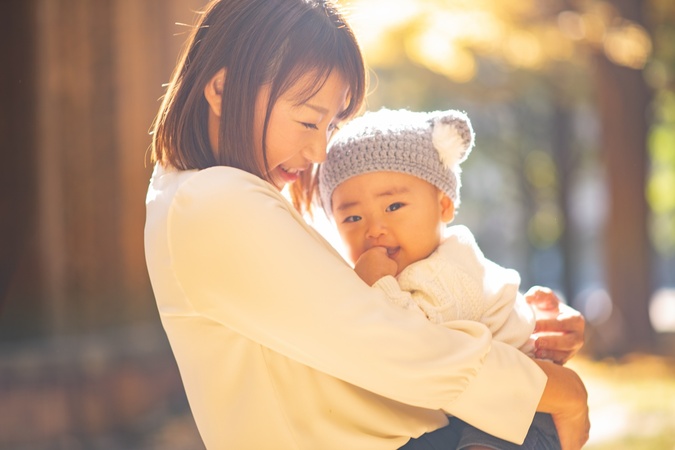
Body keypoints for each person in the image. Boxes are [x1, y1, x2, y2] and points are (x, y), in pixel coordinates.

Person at [144, 0, 589, 449]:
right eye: (307, 120)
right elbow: (392, 343)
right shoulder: (212, 201)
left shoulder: (223, 197)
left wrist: (521, 321)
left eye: (331, 125)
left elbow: (406, 291)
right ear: (221, 90)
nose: (319, 151)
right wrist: (555, 391)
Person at [317, 107, 577, 449]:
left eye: (393, 207)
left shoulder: (451, 266)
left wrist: (374, 287)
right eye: (352, 217)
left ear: (444, 206)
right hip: (472, 408)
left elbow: (417, 345)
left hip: (526, 411)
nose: (374, 229)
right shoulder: (402, 271)